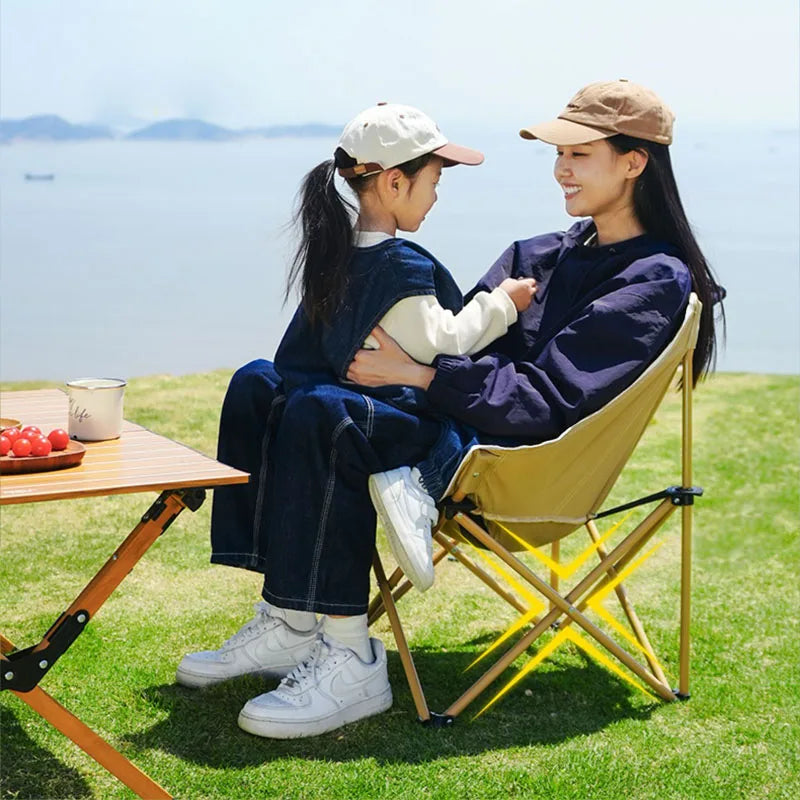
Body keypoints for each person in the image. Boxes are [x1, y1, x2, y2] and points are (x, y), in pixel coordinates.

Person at [177, 80, 724, 741]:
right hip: (450, 419)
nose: (562, 169)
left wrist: (418, 374)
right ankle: (289, 621)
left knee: (326, 414)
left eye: (580, 154)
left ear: (635, 161)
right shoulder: (537, 255)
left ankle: (351, 661)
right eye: (559, 154)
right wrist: (401, 355)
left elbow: (544, 403)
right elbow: (455, 331)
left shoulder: (652, 280)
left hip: (505, 464)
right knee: (263, 385)